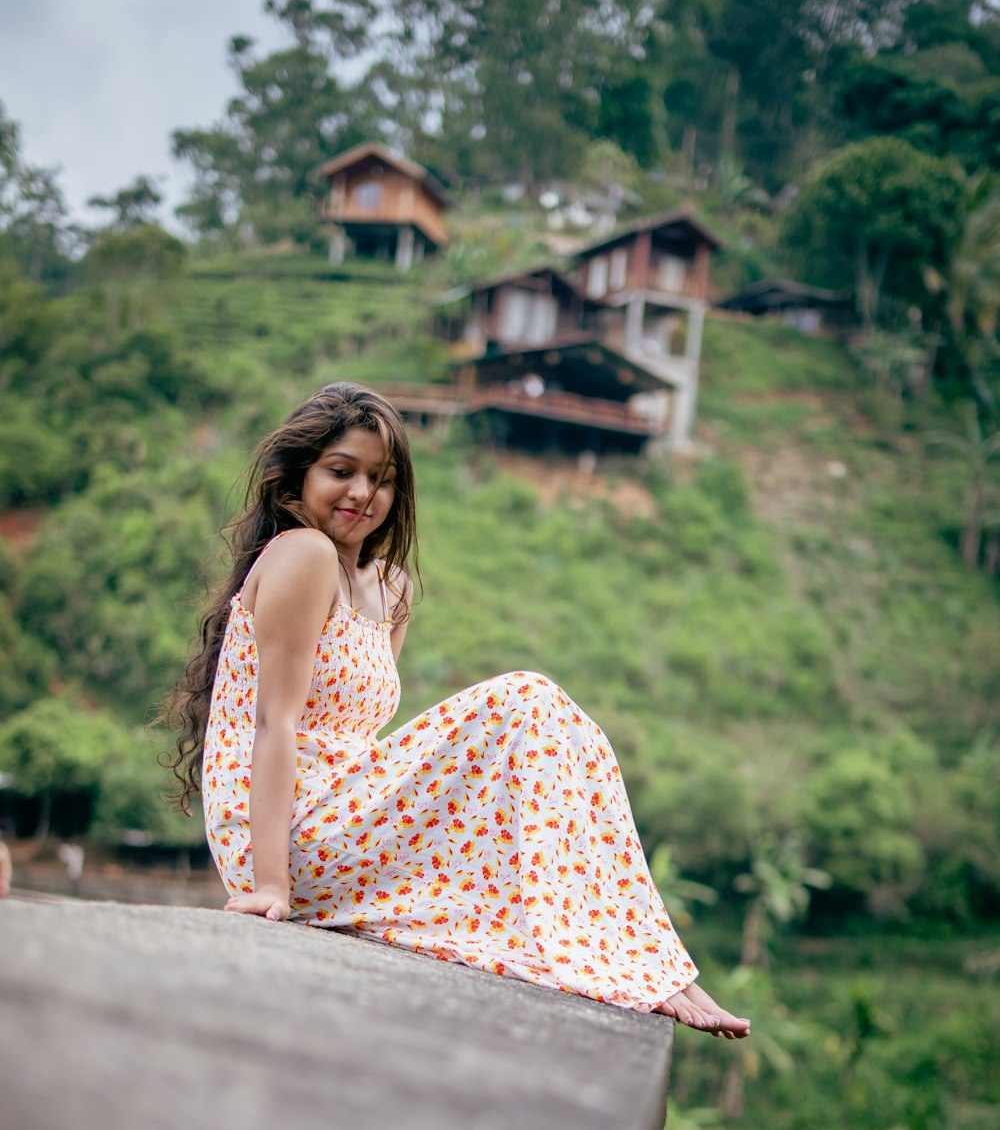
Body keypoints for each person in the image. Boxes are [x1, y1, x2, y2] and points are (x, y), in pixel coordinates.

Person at [168, 384, 748, 1038]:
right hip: (285, 831)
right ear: (298, 477)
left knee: (568, 736)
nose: (362, 493)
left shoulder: (391, 588)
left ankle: (643, 961)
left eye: (382, 480)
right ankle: (641, 965)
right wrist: (272, 884)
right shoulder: (305, 555)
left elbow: (370, 743)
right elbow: (274, 725)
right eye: (341, 471)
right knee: (527, 699)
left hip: (346, 814)